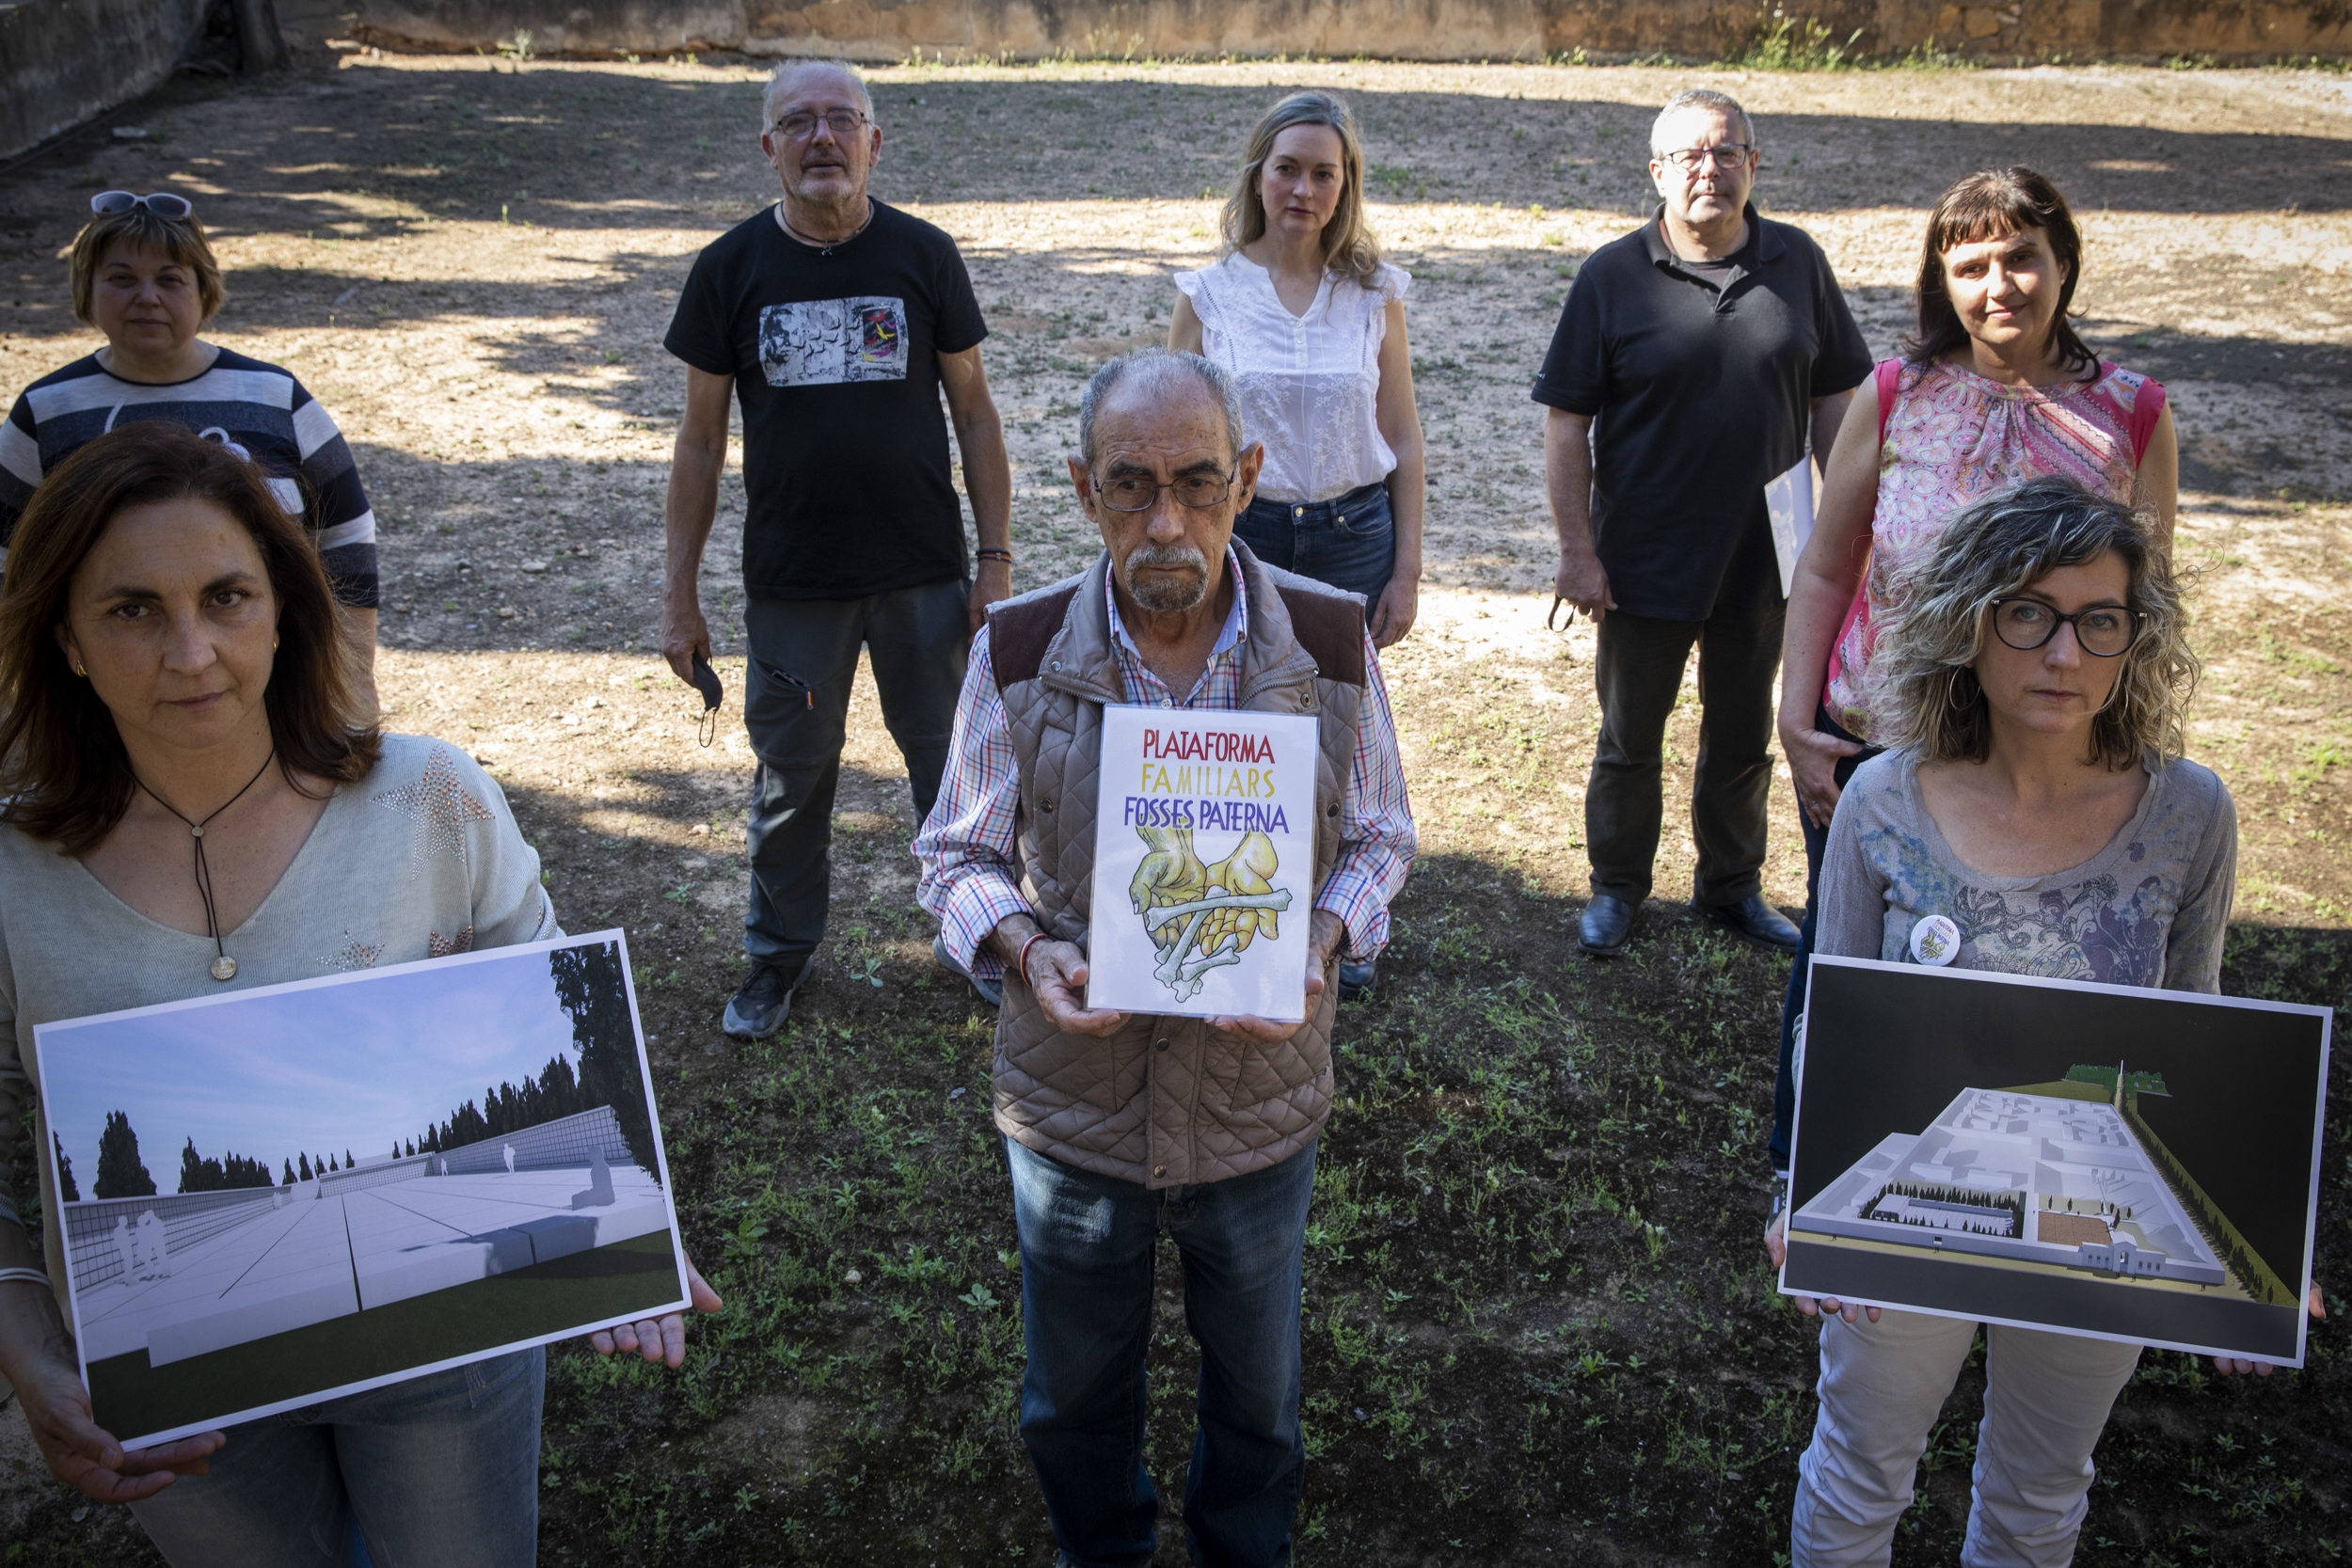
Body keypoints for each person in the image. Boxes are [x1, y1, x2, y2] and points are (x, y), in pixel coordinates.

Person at [0, 422, 717, 1562]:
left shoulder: (431, 797)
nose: (191, 652)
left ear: (285, 609)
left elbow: (556, 1008)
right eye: (132, 608)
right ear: (66, 640)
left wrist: (625, 1217)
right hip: (172, 1376)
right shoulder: (11, 870)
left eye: (227, 596)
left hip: (451, 1349)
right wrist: (24, 1338)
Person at [1762, 476, 2323, 1566]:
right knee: (1858, 1471)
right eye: (2027, 613)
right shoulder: (1880, 797)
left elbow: (2194, 1026)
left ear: (2134, 637)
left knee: (2037, 1493)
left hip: (2097, 1227)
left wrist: (2250, 1242)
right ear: (1969, 622)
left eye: (2098, 620)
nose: (2062, 654)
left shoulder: (2190, 810)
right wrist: (1805, 1191)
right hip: (1903, 1205)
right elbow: (1825, 1018)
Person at [912, 348, 1413, 1566]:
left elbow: (1384, 834)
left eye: (1198, 480)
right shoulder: (1018, 648)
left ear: (1247, 478)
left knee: (1260, 1392)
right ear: (1082, 490)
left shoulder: (1332, 640)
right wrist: (1027, 948)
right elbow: (957, 855)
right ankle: (1110, 1551)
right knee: (1071, 1395)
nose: (1167, 519)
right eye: (1131, 486)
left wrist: (1320, 942)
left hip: (1257, 1101)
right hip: (1075, 1104)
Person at [1765, 166, 2179, 1176]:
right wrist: (1792, 711)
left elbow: (2146, 604)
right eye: (1972, 263)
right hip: (1880, 737)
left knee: (2021, 964)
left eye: (2022, 256)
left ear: (2063, 264)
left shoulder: (2131, 412)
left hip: (2048, 750)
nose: (2000, 283)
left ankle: (2009, 1166)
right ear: (1940, 279)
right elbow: (1826, 562)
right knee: (1849, 960)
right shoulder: (1897, 392)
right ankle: (1816, 1164)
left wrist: (2139, 752)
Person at [660, 57, 1014, 1037]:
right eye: (799, 122)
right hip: (794, 589)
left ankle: (981, 939)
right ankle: (776, 959)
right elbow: (697, 444)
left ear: (874, 141)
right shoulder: (729, 270)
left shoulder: (923, 256)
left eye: (842, 120)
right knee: (792, 776)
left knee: (954, 776)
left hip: (923, 579)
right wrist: (677, 594)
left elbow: (977, 415)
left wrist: (994, 559)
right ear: (768, 147)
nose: (823, 139)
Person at [1534, 87, 1870, 958]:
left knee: (1745, 732)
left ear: (1754, 165)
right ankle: (1616, 889)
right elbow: (1567, 424)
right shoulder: (1611, 276)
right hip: (1644, 558)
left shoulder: (1798, 262)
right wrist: (1578, 553)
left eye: (1727, 153)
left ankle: (1730, 888)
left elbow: (1838, 399)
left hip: (1771, 558)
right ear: (1657, 172)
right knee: (1628, 738)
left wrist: (1847, 529)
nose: (1708, 170)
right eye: (1689, 155)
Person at [1168, 88, 1425, 1002]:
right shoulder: (1210, 292)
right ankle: (1231, 909)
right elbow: (1174, 433)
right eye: (1288, 168)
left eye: (1324, 172)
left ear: (1346, 184)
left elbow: (1400, 431)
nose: (1303, 188)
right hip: (1249, 534)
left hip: (1355, 535)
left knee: (1336, 737)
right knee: (1237, 730)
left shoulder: (1373, 295)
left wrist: (1405, 568)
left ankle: (1332, 926)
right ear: (1258, 175)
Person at [0, 190, 382, 713]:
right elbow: (5, 556)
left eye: (170, 279)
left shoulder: (276, 395)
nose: (147, 297)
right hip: (103, 702)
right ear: (85, 291)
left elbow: (346, 529)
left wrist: (351, 668)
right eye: (121, 278)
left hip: (277, 686)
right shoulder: (45, 409)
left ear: (205, 291)